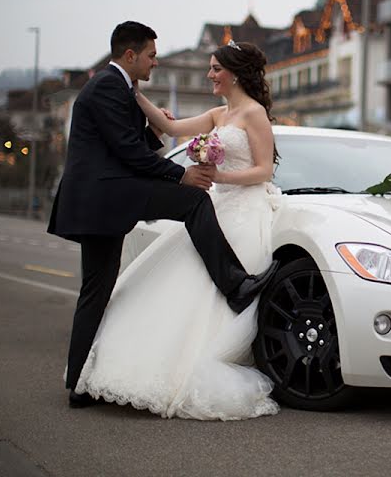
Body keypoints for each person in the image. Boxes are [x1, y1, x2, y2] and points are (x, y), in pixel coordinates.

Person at [47, 22, 277, 410]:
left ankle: (78, 381)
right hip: (109, 193)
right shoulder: (110, 86)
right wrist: (183, 174)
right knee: (192, 202)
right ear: (131, 55)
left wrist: (140, 102)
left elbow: (142, 137)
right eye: (152, 56)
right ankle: (236, 284)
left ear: (234, 73)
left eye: (215, 68)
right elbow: (131, 148)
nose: (156, 62)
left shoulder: (117, 86)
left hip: (106, 195)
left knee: (97, 289)